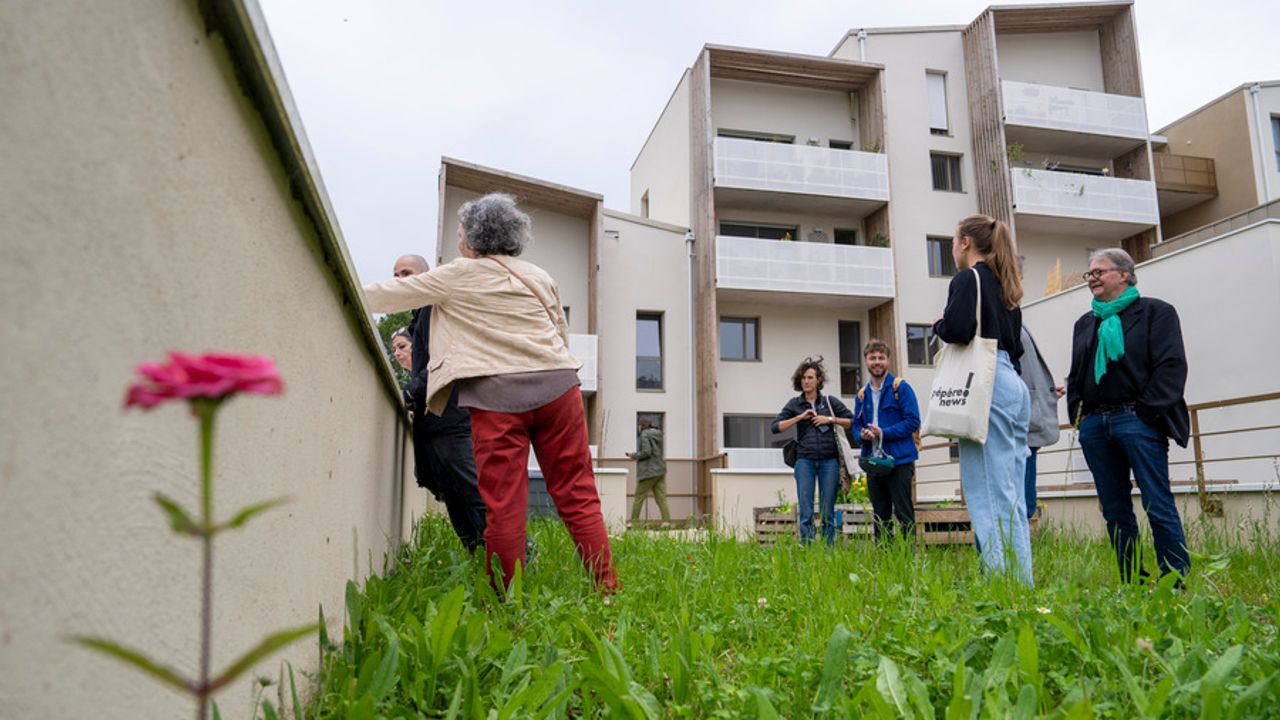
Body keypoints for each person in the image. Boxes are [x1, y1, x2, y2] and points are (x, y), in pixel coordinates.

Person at [364, 194, 617, 591]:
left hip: (496, 395)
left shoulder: (458, 273)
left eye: (461, 231)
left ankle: (507, 600)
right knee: (578, 493)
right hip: (559, 387)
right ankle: (607, 589)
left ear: (472, 239)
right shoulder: (538, 274)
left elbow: (387, 295)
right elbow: (559, 334)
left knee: (504, 506)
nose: (459, 237)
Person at [1067, 248, 1191, 583]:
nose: (1091, 278)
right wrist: (1079, 414)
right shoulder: (1085, 323)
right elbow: (1076, 374)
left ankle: (1173, 580)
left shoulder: (1156, 313)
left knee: (1157, 502)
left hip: (1137, 420)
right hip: (1095, 425)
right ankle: (1132, 581)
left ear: (1124, 274)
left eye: (1099, 272)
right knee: (1114, 510)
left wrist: (1145, 413)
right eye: (1089, 273)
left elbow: (1171, 367)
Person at [932, 214, 1032, 585]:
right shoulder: (1007, 286)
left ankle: (1002, 584)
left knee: (987, 491)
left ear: (965, 244)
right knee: (1011, 492)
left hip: (985, 384)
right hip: (1010, 382)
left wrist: (938, 324)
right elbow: (1017, 346)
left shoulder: (968, 278)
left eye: (953, 242)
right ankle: (1020, 581)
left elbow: (957, 329)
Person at [391, 254, 487, 554]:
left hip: (452, 420)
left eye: (406, 273)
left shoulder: (435, 310)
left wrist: (408, 393)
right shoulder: (419, 317)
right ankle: (481, 558)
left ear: (426, 276)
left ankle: (522, 554)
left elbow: (441, 364)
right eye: (395, 275)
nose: (399, 280)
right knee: (453, 496)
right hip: (435, 422)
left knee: (473, 491)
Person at [771, 356, 853, 546]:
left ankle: (827, 550)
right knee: (806, 510)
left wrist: (829, 420)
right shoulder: (795, 403)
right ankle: (807, 550)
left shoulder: (830, 402)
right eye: (803, 378)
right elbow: (775, 427)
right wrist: (799, 417)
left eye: (810, 377)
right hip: (804, 461)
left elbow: (852, 421)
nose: (806, 381)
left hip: (829, 461)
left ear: (818, 380)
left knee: (827, 510)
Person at [851, 339, 920, 540]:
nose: (877, 362)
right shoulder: (862, 394)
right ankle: (885, 560)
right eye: (872, 358)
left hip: (899, 460)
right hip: (874, 462)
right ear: (866, 361)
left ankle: (908, 559)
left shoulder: (901, 388)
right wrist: (861, 436)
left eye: (881, 357)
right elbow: (856, 424)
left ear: (888, 361)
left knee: (903, 513)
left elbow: (913, 421)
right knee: (880, 514)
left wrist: (883, 432)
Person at [1018, 325, 1064, 521]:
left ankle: (1015, 549)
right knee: (1019, 505)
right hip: (1018, 422)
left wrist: (1046, 393)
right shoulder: (997, 316)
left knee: (1024, 504)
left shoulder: (1014, 317)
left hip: (1025, 421)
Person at [626, 419, 670, 528]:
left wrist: (634, 455)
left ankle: (634, 522)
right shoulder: (657, 434)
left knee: (639, 496)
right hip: (660, 469)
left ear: (642, 426)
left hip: (649, 471)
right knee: (661, 497)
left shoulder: (644, 434)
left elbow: (647, 452)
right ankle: (666, 522)